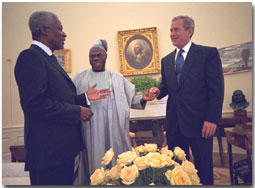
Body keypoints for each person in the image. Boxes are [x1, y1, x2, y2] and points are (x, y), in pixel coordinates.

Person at [14, 11, 111, 185]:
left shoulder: (48, 59)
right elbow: (35, 103)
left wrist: (84, 98)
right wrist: (76, 111)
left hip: (60, 151)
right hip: (47, 154)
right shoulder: (30, 57)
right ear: (44, 30)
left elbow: (57, 98)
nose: (64, 33)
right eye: (59, 29)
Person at [149, 16, 224, 185]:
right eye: (171, 30)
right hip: (175, 124)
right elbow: (167, 86)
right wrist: (157, 90)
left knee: (203, 169)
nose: (172, 33)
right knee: (177, 171)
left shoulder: (208, 54)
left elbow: (216, 90)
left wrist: (212, 119)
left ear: (189, 31)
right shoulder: (166, 60)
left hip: (201, 124)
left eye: (176, 29)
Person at [73, 39, 154, 183]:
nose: (96, 58)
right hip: (89, 127)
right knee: (94, 161)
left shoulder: (117, 78)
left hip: (113, 127)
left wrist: (143, 98)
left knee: (116, 161)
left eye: (99, 55)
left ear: (106, 56)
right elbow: (72, 100)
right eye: (92, 56)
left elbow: (130, 101)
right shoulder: (80, 78)